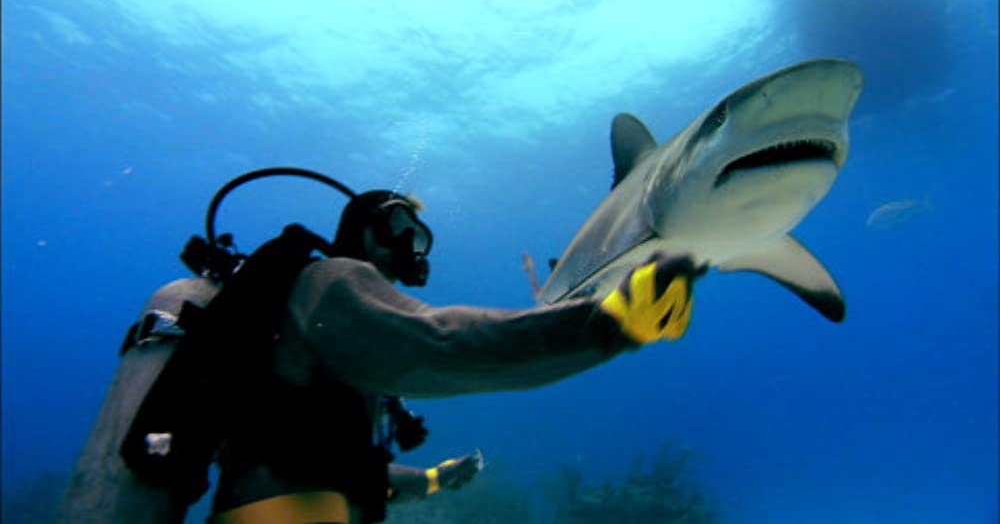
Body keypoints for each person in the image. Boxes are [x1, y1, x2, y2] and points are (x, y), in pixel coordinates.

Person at [57, 168, 702, 524]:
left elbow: (336, 468)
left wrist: (435, 479)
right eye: (403, 229)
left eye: (422, 242)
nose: (413, 249)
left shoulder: (302, 331)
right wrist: (606, 323)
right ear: (364, 227)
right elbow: (442, 344)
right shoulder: (331, 281)